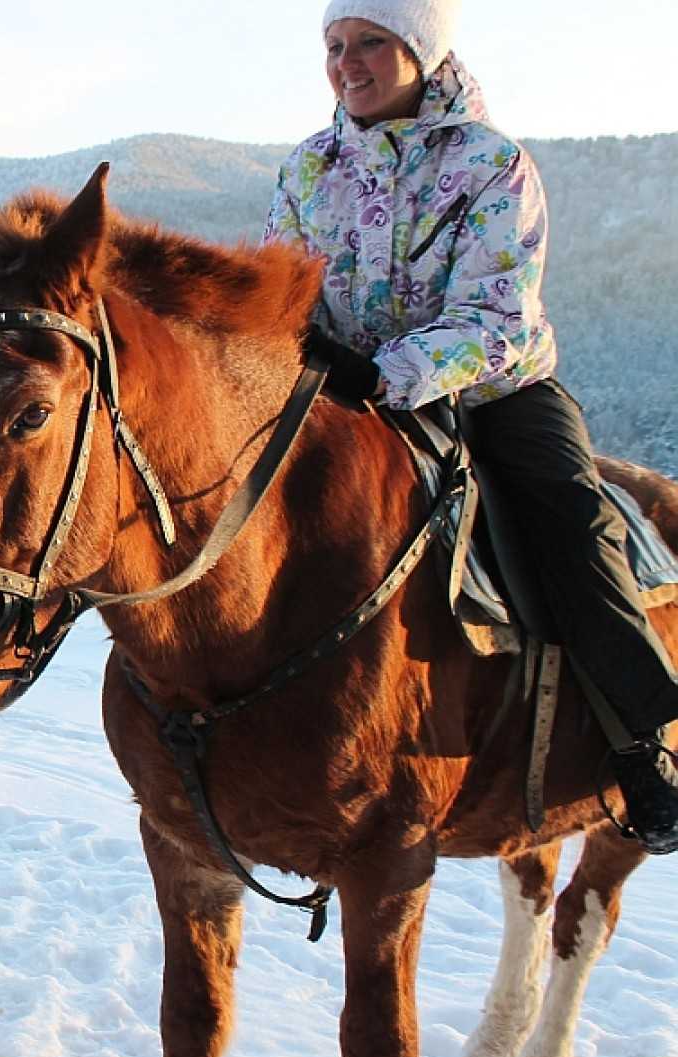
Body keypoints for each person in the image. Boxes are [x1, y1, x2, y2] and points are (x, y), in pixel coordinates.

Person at [263, 0, 678, 852]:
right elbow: (278, 287)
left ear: (422, 50)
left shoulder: (493, 165)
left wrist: (388, 372)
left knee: (569, 516)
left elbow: (497, 316)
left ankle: (644, 739)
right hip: (342, 396)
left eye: (371, 43)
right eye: (334, 46)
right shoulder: (310, 169)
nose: (348, 63)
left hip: (494, 391)